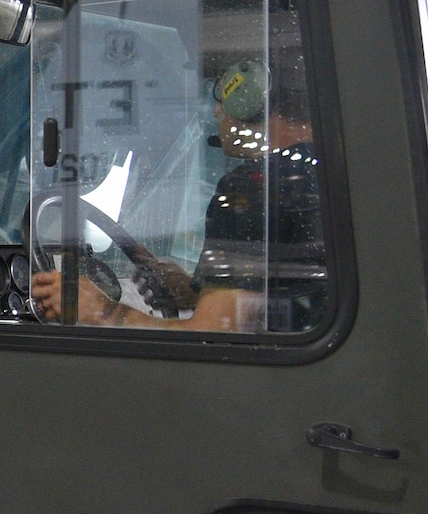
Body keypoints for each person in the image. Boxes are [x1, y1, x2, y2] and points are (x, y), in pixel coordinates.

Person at [31, 57, 327, 334]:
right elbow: (284, 301)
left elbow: (211, 337)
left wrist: (103, 311)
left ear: (248, 101)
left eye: (221, 98)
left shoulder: (253, 189)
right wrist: (197, 292)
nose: (215, 112)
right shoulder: (322, 172)